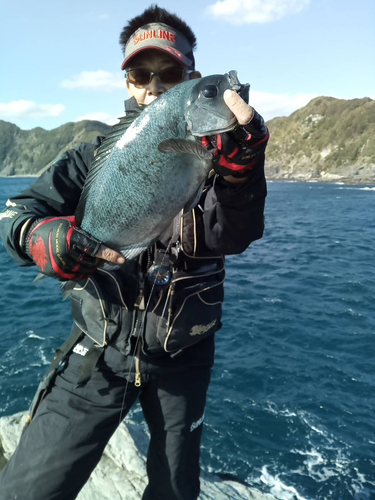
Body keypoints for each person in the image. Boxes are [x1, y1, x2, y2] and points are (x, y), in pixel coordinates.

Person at [0, 5, 268, 500]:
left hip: (184, 357)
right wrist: (42, 238)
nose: (153, 85)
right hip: (98, 352)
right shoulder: (90, 155)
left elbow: (237, 235)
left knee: (174, 489)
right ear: (126, 81)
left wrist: (242, 173)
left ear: (189, 75)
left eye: (169, 73)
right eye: (140, 73)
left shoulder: (219, 160)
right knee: (27, 489)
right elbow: (17, 213)